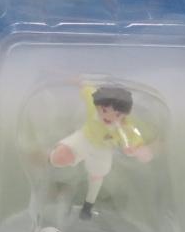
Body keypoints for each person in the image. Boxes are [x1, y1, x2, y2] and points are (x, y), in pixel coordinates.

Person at [49, 81, 153, 220]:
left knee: (96, 177)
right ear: (98, 106)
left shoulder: (126, 127)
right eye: (104, 111)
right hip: (84, 138)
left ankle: (88, 205)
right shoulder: (93, 104)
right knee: (60, 157)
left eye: (117, 114)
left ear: (124, 115)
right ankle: (48, 160)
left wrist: (138, 151)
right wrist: (78, 81)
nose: (109, 117)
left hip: (103, 150)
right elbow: (86, 88)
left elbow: (137, 144)